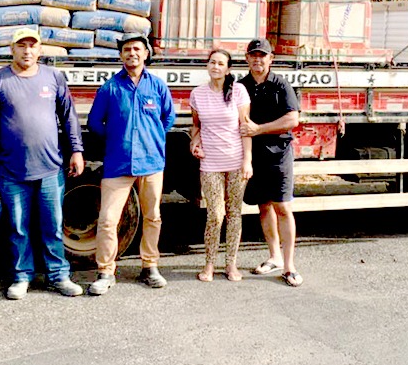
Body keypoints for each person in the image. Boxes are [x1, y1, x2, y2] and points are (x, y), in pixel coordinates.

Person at [0, 27, 85, 299]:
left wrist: (76, 151)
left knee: (53, 226)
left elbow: (69, 117)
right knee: (17, 227)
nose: (27, 51)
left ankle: (58, 275)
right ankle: (21, 276)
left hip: (50, 168)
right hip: (11, 170)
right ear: (11, 49)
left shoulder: (54, 77)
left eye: (32, 46)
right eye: (21, 46)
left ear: (40, 50)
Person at [86, 32, 175, 295]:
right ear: (121, 56)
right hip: (118, 162)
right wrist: (117, 138)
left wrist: (153, 138)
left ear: (146, 53)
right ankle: (105, 271)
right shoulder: (110, 88)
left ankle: (150, 266)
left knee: (153, 216)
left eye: (137, 49)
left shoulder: (157, 86)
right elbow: (94, 122)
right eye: (127, 50)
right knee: (107, 220)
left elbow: (167, 118)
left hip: (151, 163)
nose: (132, 53)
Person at [238, 38, 302, 287]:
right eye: (253, 55)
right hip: (254, 155)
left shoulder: (281, 85)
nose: (257, 59)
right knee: (263, 206)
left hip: (278, 154)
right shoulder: (241, 86)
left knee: (283, 208)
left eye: (262, 55)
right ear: (247, 58)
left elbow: (292, 119)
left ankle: (289, 266)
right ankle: (274, 257)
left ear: (270, 59)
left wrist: (259, 129)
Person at [188, 49, 253, 282]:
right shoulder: (197, 94)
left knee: (234, 213)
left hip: (236, 161)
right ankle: (209, 264)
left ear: (228, 69)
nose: (215, 66)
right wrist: (194, 143)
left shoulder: (238, 92)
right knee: (215, 214)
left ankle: (231, 265)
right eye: (212, 62)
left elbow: (246, 128)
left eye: (220, 63)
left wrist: (248, 161)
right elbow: (196, 126)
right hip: (210, 163)